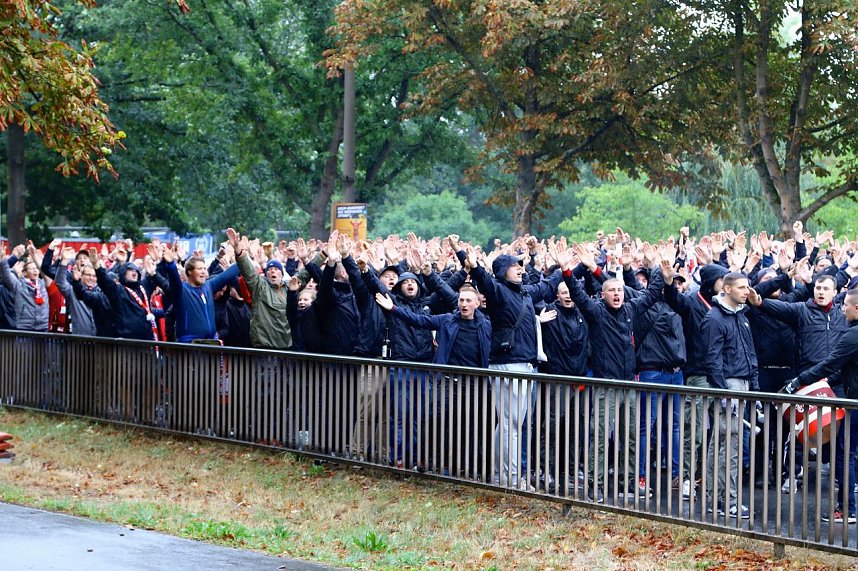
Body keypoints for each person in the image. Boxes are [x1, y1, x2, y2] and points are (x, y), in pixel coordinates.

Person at [559, 245, 666, 502]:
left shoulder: (630, 309)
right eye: (612, 291)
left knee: (631, 437)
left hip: (629, 384)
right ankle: (594, 484)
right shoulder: (596, 311)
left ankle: (628, 481)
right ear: (603, 294)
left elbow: (652, 293)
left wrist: (657, 267)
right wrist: (567, 271)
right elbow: (578, 295)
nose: (617, 294)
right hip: (606, 386)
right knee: (599, 436)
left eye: (620, 290)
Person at [464, 238, 562, 489]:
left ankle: (503, 476)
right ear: (502, 271)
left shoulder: (525, 292)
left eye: (521, 265)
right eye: (515, 265)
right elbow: (483, 279)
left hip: (522, 365)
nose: (520, 268)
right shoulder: (498, 290)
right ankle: (512, 479)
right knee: (512, 426)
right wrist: (470, 262)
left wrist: (567, 268)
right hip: (510, 365)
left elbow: (549, 285)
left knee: (508, 424)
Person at [375, 282, 491, 476]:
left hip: (474, 384)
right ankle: (437, 463)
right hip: (448, 381)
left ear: (477, 304)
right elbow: (419, 320)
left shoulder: (485, 324)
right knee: (437, 420)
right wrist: (394, 309)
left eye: (468, 301)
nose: (464, 304)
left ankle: (466, 467)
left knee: (469, 426)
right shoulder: (447, 320)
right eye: (461, 300)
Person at [782, 287, 858, 524]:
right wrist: (824, 382)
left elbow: (830, 363)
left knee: (845, 454)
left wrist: (799, 381)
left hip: (855, 404)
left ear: (856, 308)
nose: (842, 309)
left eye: (845, 305)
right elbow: (845, 370)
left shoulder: (853, 335)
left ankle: (847, 510)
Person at [702, 272, 759, 520]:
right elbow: (712, 359)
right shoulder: (715, 318)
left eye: (747, 287)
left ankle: (718, 499)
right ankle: (727, 501)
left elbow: (750, 353)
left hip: (741, 384)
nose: (747, 291)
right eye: (741, 287)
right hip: (729, 385)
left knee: (725, 444)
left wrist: (754, 388)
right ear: (726, 289)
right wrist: (724, 392)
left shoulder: (741, 316)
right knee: (728, 446)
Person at [227, 228, 292, 350]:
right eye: (269, 270)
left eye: (276, 269)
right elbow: (249, 271)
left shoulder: (289, 288)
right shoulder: (260, 286)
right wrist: (238, 251)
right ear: (265, 274)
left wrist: (322, 256)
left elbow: (303, 275)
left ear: (282, 274)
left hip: (285, 346)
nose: (272, 271)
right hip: (263, 347)